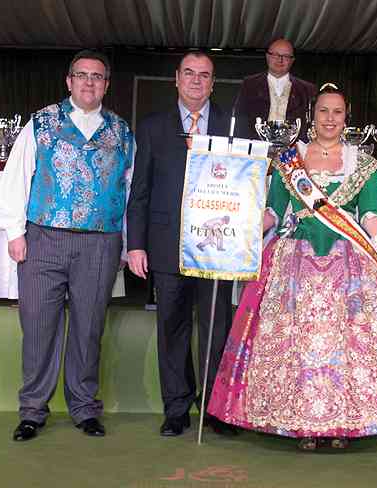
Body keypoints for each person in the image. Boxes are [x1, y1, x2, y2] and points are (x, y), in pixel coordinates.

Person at [207, 83, 377, 450]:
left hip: (348, 261)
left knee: (347, 343)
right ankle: (302, 423)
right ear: (313, 115)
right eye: (324, 111)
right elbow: (273, 211)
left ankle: (342, 424)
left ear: (346, 117)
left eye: (337, 112)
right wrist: (242, 230)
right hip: (294, 261)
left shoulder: (363, 164)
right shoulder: (289, 160)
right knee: (298, 341)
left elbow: (370, 214)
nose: (330, 118)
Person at [0, 50, 134, 442]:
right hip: (44, 238)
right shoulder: (41, 122)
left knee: (88, 329)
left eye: (97, 76)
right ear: (69, 81)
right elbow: (17, 176)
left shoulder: (122, 132)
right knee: (38, 326)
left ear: (106, 84)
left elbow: (129, 190)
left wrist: (126, 244)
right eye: (82, 75)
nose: (89, 82)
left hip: (100, 243)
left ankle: (85, 408)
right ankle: (32, 411)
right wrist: (14, 232)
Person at [126, 52, 238, 437]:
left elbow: (244, 186)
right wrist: (136, 244)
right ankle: (176, 408)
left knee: (216, 328)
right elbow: (139, 190)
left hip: (217, 246)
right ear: (176, 78)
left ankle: (214, 408)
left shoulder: (232, 126)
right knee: (171, 328)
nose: (195, 80)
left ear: (213, 83)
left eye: (204, 75)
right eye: (189, 73)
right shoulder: (153, 127)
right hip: (165, 243)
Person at [236, 38, 316, 138]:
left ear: (292, 60)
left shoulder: (308, 89)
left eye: (286, 56)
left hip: (294, 146)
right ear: (267, 56)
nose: (280, 60)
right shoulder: (249, 84)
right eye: (275, 55)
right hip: (255, 145)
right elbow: (239, 119)